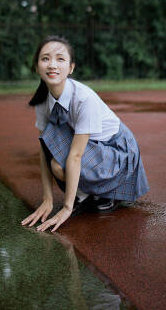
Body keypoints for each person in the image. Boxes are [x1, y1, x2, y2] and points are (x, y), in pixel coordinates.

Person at [21, 35, 149, 232]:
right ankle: (87, 193)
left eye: (60, 59)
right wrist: (47, 199)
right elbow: (43, 149)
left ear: (71, 68)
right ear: (36, 66)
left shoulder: (83, 98)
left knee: (61, 163)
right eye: (45, 58)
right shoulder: (42, 101)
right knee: (55, 161)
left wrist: (66, 207)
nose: (52, 64)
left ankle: (103, 193)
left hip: (117, 151)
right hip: (93, 148)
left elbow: (75, 156)